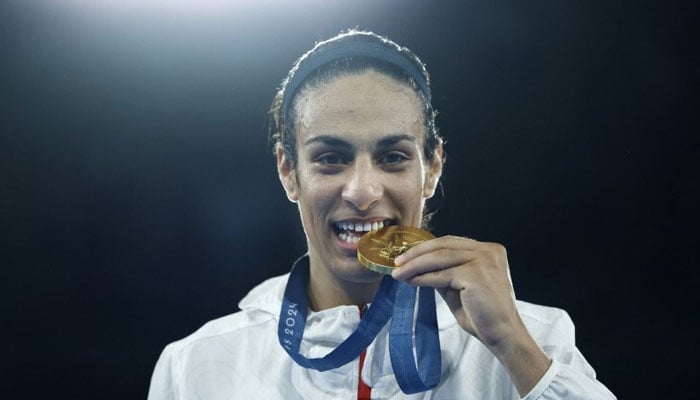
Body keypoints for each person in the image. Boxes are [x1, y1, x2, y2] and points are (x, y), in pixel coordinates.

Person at [147, 30, 615, 399]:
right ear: (289, 171)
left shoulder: (534, 339)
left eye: (392, 157)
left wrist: (513, 346)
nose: (363, 192)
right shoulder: (197, 366)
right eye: (331, 157)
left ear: (432, 168)